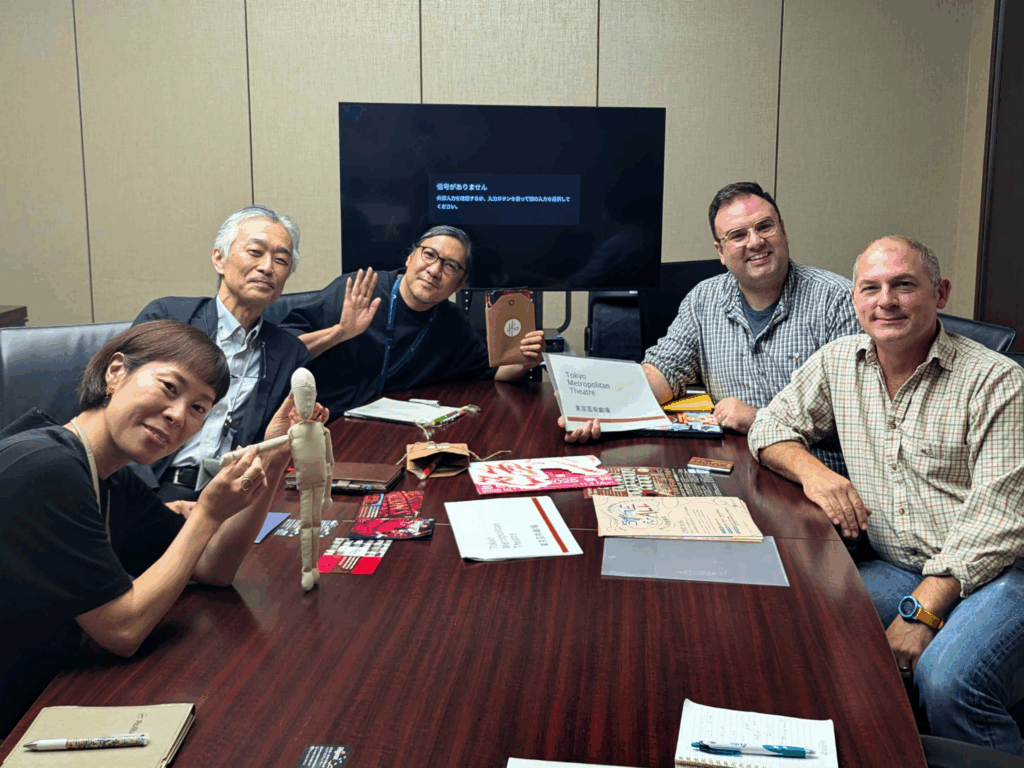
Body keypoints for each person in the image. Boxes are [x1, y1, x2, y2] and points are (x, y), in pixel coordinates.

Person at [747, 236, 1024, 754]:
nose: (886, 302)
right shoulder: (838, 362)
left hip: (998, 575)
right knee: (786, 613)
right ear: (854, 298)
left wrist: (922, 613)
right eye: (870, 288)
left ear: (940, 293)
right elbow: (769, 425)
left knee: (947, 682)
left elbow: (1000, 519)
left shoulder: (998, 381)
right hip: (899, 566)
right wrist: (815, 473)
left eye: (904, 285)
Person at [0, 320, 327, 740]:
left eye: (198, 409)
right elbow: (123, 630)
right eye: (169, 388)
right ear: (115, 372)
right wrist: (206, 513)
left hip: (50, 690)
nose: (177, 416)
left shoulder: (110, 477)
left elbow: (212, 568)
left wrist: (276, 455)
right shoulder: (46, 469)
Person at [563, 182, 859, 474]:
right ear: (721, 251)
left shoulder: (837, 301)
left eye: (765, 227)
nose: (755, 242)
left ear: (782, 230)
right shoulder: (704, 300)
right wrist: (592, 405)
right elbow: (664, 371)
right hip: (735, 471)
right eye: (738, 235)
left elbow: (855, 416)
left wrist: (759, 419)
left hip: (816, 475)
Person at [133, 205, 310, 501]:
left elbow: (271, 445)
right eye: (255, 252)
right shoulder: (167, 317)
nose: (268, 267)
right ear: (219, 259)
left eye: (281, 260)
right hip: (151, 490)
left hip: (230, 496)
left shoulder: (288, 353)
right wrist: (144, 505)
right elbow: (116, 412)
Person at [281, 225, 545, 415]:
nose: (434, 270)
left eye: (450, 266)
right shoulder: (357, 290)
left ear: (459, 285)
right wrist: (339, 332)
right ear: (409, 257)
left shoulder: (451, 324)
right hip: (322, 420)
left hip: (387, 429)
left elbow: (493, 372)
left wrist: (523, 360)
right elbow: (282, 350)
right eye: (429, 255)